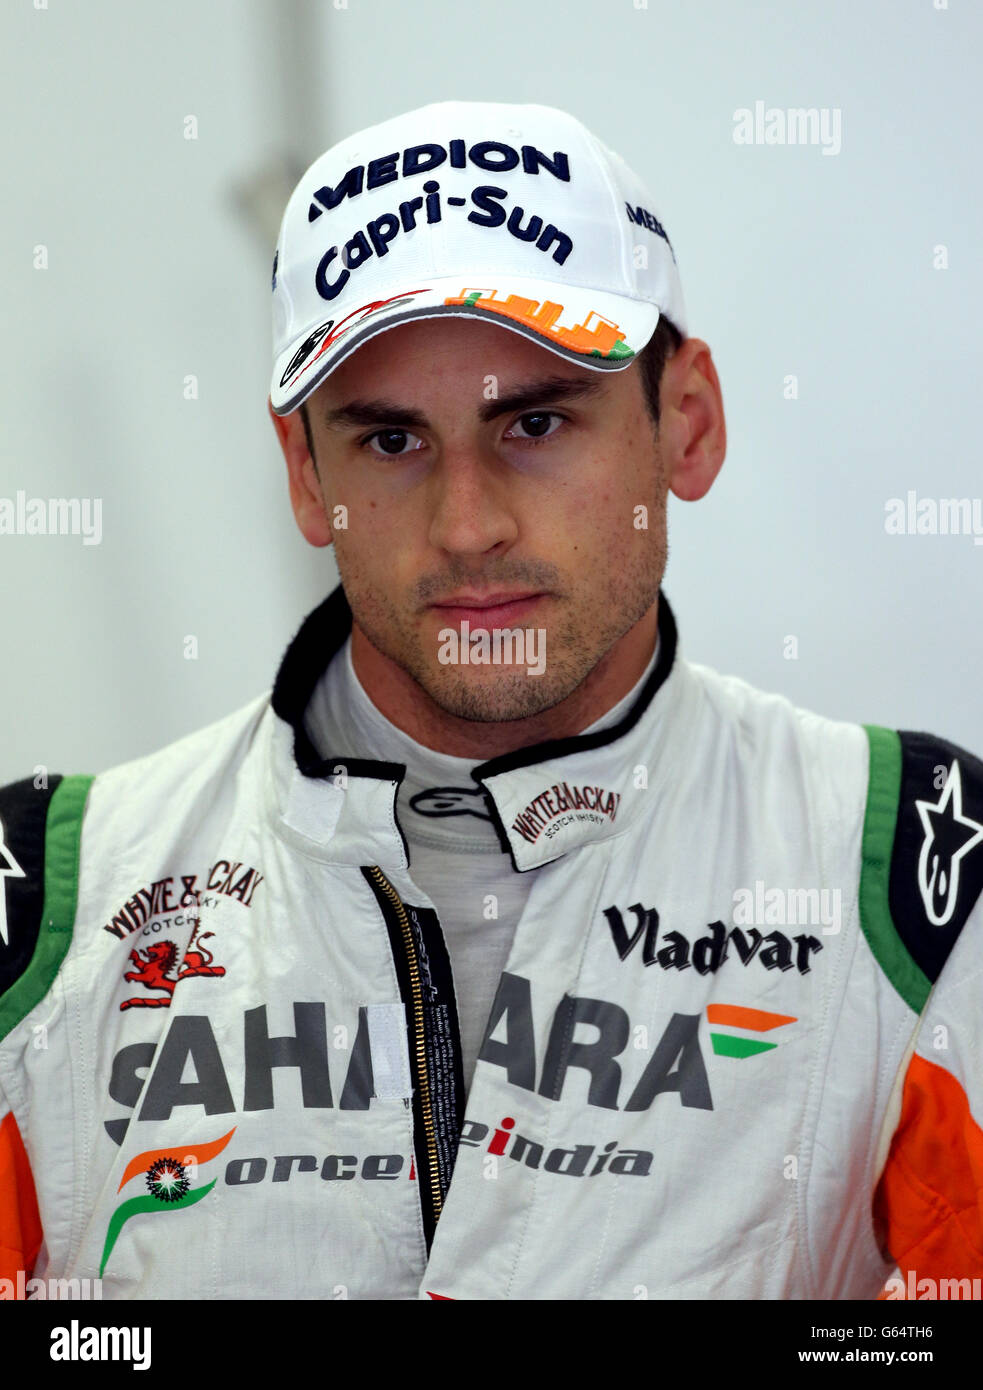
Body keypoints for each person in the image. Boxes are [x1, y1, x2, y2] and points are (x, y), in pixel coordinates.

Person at [1, 99, 981, 1303]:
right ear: (306, 476)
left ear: (686, 421)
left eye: (533, 421)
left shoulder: (914, 875)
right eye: (392, 443)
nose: (468, 527)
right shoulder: (44, 904)